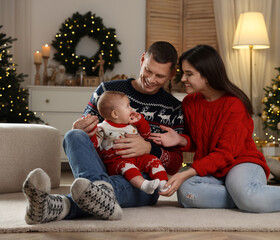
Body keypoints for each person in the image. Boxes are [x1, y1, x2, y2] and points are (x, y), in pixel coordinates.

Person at [150, 44, 280, 214]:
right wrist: (180, 140)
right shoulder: (190, 102)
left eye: (189, 73)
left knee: (198, 184)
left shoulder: (235, 104)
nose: (183, 79)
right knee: (186, 192)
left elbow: (225, 153)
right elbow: (202, 142)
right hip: (212, 168)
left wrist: (188, 173)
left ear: (207, 74)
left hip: (241, 163)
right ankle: (247, 197)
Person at [22, 41, 184, 224]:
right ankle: (101, 192)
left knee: (144, 186)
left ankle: (55, 206)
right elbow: (84, 138)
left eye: (160, 76)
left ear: (171, 75)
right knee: (73, 136)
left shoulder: (174, 108)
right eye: (148, 70)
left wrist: (149, 148)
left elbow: (175, 164)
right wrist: (79, 128)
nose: (151, 79)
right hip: (102, 164)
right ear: (142, 59)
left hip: (140, 179)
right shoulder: (106, 90)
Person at [91, 91, 169, 194]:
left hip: (138, 157)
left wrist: (140, 122)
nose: (131, 109)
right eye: (128, 106)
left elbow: (146, 135)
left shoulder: (132, 124)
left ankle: (163, 184)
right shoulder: (103, 128)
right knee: (128, 167)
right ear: (115, 114)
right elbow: (95, 144)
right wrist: (91, 133)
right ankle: (144, 185)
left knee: (153, 159)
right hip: (117, 162)